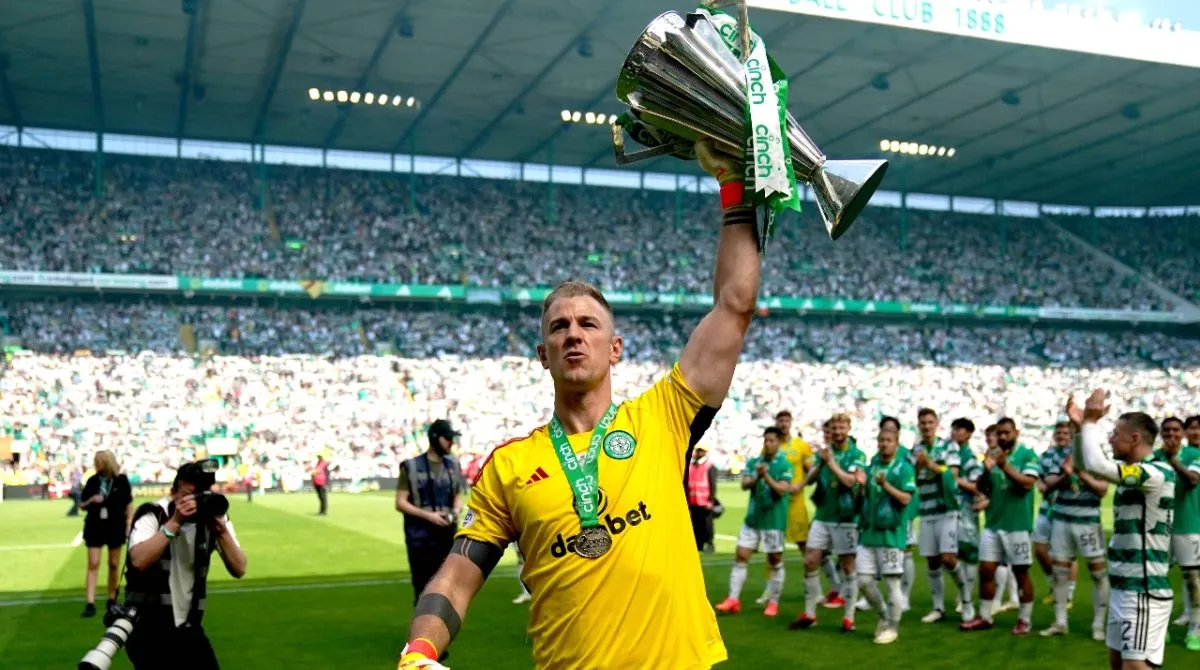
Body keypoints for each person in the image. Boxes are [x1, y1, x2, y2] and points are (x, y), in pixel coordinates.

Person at [395, 139, 753, 669]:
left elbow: (735, 303)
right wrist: (420, 648)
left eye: (588, 324)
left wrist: (733, 186)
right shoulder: (509, 467)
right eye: (559, 327)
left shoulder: (664, 417)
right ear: (543, 355)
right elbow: (457, 573)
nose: (573, 335)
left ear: (615, 348)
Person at [1071, 391, 1174, 670]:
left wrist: (1091, 421)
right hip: (1125, 587)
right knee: (1118, 664)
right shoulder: (1138, 471)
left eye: (1116, 433)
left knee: (1134, 666)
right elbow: (1084, 465)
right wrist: (1080, 429)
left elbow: (1095, 465)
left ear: (1135, 439)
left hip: (1141, 589)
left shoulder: (1154, 473)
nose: (1110, 438)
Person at [124, 459, 248, 669]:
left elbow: (240, 568)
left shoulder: (213, 519)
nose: (194, 502)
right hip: (148, 629)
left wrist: (222, 531)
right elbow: (138, 560)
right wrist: (175, 522)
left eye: (201, 495)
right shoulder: (154, 514)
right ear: (173, 492)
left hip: (189, 627)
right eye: (188, 495)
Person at [961, 417, 1040, 634]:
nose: (1003, 437)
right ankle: (985, 616)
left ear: (1016, 432)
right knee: (986, 570)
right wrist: (986, 470)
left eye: (1007, 433)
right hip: (993, 523)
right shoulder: (992, 455)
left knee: (1021, 572)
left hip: (1017, 525)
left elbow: (1026, 484)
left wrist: (1005, 466)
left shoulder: (1027, 455)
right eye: (1000, 433)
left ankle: (1025, 619)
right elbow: (982, 488)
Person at [791, 413, 867, 632]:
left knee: (848, 566)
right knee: (810, 560)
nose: (837, 431)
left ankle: (849, 617)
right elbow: (813, 478)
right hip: (823, 515)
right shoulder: (826, 453)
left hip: (845, 518)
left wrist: (830, 463)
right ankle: (810, 614)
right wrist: (816, 469)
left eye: (842, 427)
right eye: (834, 427)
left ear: (849, 428)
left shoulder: (857, 454)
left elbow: (850, 481)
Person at [1040, 421, 1109, 640]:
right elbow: (1047, 486)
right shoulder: (1056, 456)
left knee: (1098, 573)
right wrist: (1065, 474)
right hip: (1062, 519)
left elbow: (1102, 490)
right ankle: (1060, 622)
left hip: (1088, 522)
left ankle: (1098, 625)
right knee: (1059, 572)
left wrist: (1080, 474)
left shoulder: (1096, 454)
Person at [715, 426, 793, 616]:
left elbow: (782, 489)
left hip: (773, 521)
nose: (768, 444)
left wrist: (766, 476)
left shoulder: (785, 465)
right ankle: (733, 599)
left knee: (775, 560)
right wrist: (758, 475)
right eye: (765, 440)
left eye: (772, 440)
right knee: (741, 556)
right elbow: (744, 484)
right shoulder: (754, 462)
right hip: (752, 519)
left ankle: (773, 602)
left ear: (779, 443)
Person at [394, 419, 467, 606]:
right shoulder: (410, 467)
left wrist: (455, 511)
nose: (451, 442)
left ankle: (440, 628)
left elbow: (458, 495)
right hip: (420, 537)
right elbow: (400, 502)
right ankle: (422, 631)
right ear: (435, 438)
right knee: (423, 586)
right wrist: (429, 516)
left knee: (446, 585)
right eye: (448, 438)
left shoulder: (453, 465)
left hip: (446, 533)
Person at [858, 426, 916, 645]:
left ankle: (893, 627)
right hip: (869, 534)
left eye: (888, 440)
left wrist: (886, 485)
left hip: (892, 535)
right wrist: (861, 488)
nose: (884, 444)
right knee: (863, 581)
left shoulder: (904, 468)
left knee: (892, 583)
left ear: (896, 443)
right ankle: (883, 614)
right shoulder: (871, 467)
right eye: (881, 440)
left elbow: (905, 499)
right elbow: (866, 498)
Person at [910, 408, 970, 623]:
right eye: (923, 423)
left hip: (947, 510)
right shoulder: (915, 450)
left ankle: (966, 598)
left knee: (948, 558)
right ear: (919, 426)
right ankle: (938, 607)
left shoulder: (949, 446)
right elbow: (913, 480)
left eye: (930, 422)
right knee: (932, 561)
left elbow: (952, 475)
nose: (926, 426)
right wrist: (918, 467)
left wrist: (930, 465)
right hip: (927, 511)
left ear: (937, 424)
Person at [755, 410, 814, 605]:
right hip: (775, 505)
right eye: (780, 420)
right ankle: (769, 590)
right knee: (771, 548)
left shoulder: (801, 446)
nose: (783, 424)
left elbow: (811, 470)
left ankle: (812, 587)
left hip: (795, 503)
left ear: (791, 422)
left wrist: (801, 484)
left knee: (804, 544)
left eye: (786, 420)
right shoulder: (770, 447)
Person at [1160, 415, 1200, 650]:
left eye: (1176, 431)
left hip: (1189, 525)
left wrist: (1173, 461)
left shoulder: (1194, 455)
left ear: (1182, 434)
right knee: (1158, 578)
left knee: (1193, 579)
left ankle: (1195, 628)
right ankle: (1160, 627)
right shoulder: (1154, 457)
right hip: (1159, 527)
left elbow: (1193, 480)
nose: (1172, 435)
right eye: (1167, 431)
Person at [79, 450, 133, 618]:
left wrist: (129, 524)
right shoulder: (93, 481)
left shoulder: (121, 481)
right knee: (93, 563)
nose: (96, 464)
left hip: (115, 525)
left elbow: (129, 504)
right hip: (95, 525)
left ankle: (112, 598)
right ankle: (90, 602)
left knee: (114, 563)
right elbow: (82, 505)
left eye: (98, 461)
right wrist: (91, 500)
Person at [1035, 422, 1076, 608]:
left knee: (1068, 555)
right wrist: (1042, 484)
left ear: (1071, 435)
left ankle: (1068, 594)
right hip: (1046, 508)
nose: (1061, 435)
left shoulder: (1075, 454)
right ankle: (1055, 586)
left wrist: (1052, 483)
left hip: (1067, 509)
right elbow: (1039, 477)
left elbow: (1074, 482)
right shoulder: (1046, 455)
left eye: (1065, 432)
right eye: (1058, 432)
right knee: (1040, 549)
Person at [949, 418, 983, 621]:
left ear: (969, 433)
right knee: (952, 554)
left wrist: (953, 479)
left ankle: (966, 596)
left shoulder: (969, 457)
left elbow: (976, 486)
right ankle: (963, 594)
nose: (955, 432)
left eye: (960, 429)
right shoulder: (949, 453)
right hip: (951, 510)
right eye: (954, 428)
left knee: (968, 552)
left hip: (966, 511)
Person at [687, 445, 719, 552]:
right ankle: (698, 544)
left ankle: (709, 543)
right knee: (695, 524)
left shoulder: (709, 466)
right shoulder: (691, 465)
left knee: (707, 524)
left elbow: (713, 485)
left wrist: (711, 501)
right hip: (693, 501)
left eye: (701, 451)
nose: (699, 453)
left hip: (705, 502)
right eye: (698, 451)